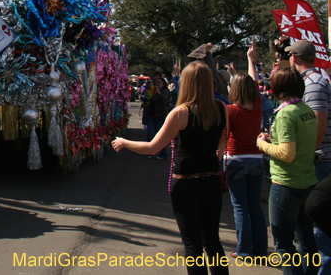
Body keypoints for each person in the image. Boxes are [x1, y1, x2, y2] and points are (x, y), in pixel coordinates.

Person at [113, 62, 229, 275]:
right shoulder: (221, 109)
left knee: (193, 244)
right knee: (212, 241)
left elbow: (153, 147)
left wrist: (124, 142)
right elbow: (222, 146)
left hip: (186, 183)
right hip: (212, 180)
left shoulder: (181, 113)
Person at [257, 67, 318, 274]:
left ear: (277, 88)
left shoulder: (285, 114)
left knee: (284, 244)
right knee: (307, 240)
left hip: (286, 185)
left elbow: (286, 153)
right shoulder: (306, 110)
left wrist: (262, 144)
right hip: (308, 182)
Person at [286, 39, 331, 273]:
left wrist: (306, 155)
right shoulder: (313, 80)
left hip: (320, 160)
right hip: (319, 160)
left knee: (319, 230)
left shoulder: (312, 84)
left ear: (295, 57)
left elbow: (318, 125)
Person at [224, 45, 268, 259]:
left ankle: (243, 250)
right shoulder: (258, 105)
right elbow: (254, 80)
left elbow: (224, 136)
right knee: (256, 208)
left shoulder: (230, 110)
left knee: (240, 207)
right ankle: (260, 250)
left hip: (236, 160)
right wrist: (251, 59)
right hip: (257, 160)